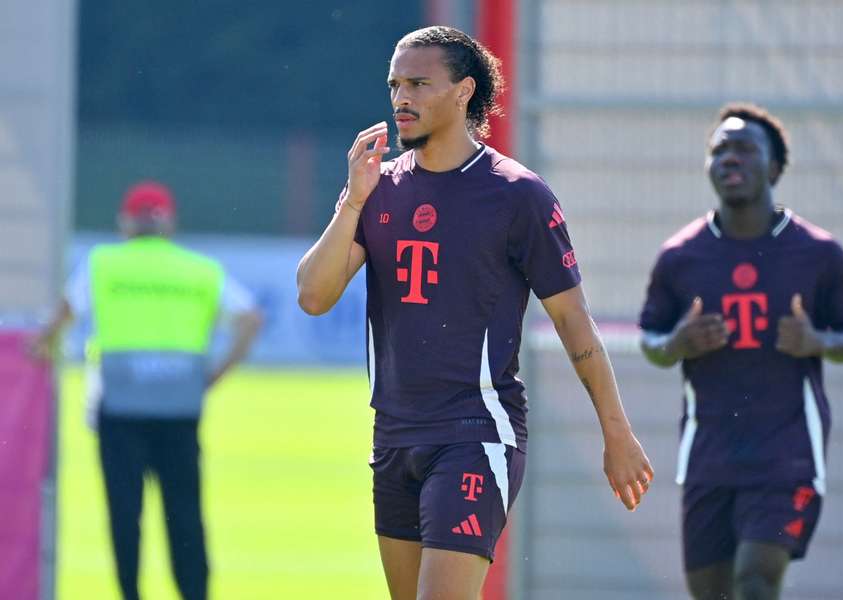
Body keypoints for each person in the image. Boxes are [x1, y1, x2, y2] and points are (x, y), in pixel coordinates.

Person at [296, 26, 653, 600]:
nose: (400, 99)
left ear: (464, 92)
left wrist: (616, 432)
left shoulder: (517, 195)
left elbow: (573, 320)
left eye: (418, 83)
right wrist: (354, 198)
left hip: (476, 432)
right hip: (393, 436)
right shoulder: (377, 189)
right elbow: (313, 296)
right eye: (394, 85)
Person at [638, 103, 843, 600]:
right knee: (713, 594)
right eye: (719, 149)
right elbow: (651, 341)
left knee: (756, 581)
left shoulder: (818, 252)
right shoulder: (681, 256)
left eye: (744, 148)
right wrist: (677, 343)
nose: (729, 158)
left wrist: (817, 342)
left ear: (776, 167)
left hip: (786, 456)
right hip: (708, 457)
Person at [31, 181, 262, 600]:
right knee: (185, 515)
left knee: (124, 514)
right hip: (179, 410)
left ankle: (130, 593)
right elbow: (250, 318)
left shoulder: (103, 264)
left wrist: (34, 349)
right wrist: (214, 374)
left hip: (120, 410)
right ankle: (194, 593)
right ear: (169, 222)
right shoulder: (198, 270)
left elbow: (58, 320)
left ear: (126, 222)